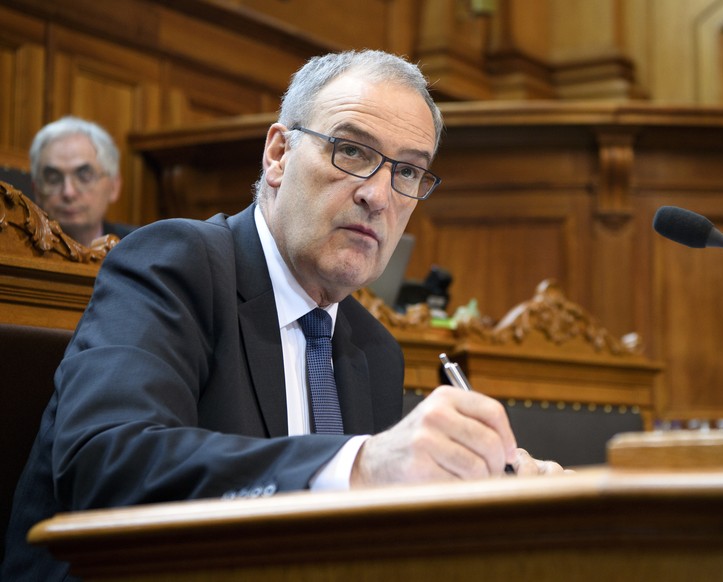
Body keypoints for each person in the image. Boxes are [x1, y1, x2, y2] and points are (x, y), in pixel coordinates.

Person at [2, 49, 563, 581]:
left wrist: (481, 500)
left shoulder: (374, 349)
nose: (379, 195)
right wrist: (363, 465)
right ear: (278, 155)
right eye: (352, 150)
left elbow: (364, 546)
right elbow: (105, 465)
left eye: (408, 173)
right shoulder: (177, 263)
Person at [29, 116, 136, 245]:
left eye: (84, 176)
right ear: (36, 189)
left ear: (114, 186)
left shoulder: (139, 249)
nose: (68, 193)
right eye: (53, 179)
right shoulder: (14, 249)